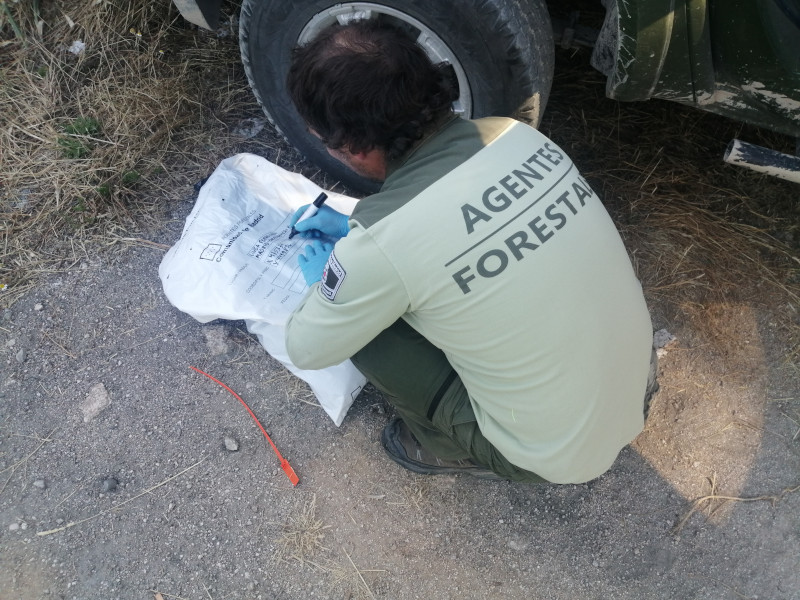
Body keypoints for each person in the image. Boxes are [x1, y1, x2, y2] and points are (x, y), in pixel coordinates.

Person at [284, 20, 658, 484]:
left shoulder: (382, 245)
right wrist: (354, 229)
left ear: (355, 147)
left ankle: (448, 447)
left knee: (366, 335)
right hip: (640, 384)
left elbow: (306, 346)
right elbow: (454, 225)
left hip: (557, 455)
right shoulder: (514, 135)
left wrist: (331, 276)